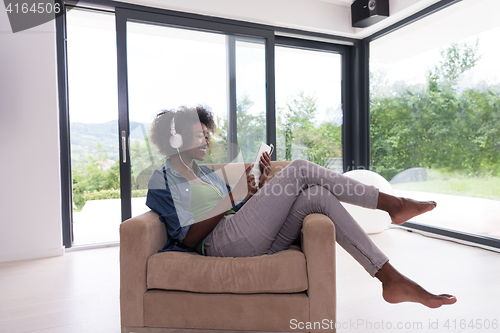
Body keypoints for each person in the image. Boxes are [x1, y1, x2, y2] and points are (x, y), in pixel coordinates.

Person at [146, 105, 457, 309]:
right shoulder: (162, 180)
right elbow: (188, 237)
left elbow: (235, 212)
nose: (207, 141)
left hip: (244, 237)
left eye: (207, 134)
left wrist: (253, 189)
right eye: (200, 135)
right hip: (217, 245)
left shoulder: (204, 173)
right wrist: (234, 196)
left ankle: (390, 278)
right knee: (299, 168)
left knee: (316, 198)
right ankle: (392, 204)